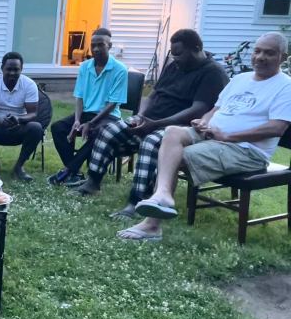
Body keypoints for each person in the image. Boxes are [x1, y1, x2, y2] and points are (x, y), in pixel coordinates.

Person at [119, 32, 291, 241]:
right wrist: (206, 121)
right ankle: (162, 194)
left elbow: (276, 128)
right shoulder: (240, 79)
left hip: (246, 150)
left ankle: (152, 225)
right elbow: (216, 109)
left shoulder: (285, 87)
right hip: (214, 136)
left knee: (176, 156)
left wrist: (228, 136)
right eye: (257, 51)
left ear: (283, 57)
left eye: (269, 53)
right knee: (172, 132)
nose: (261, 57)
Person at [73, 29, 229, 213]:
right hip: (151, 120)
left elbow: (197, 110)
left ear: (196, 48)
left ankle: (137, 201)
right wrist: (140, 116)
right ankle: (93, 182)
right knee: (109, 130)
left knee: (150, 143)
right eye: (173, 54)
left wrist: (156, 124)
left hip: (181, 129)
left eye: (179, 54)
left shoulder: (213, 72)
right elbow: (153, 94)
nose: (175, 59)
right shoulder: (174, 66)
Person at [48, 28, 128, 186]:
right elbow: (80, 97)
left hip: (108, 117)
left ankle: (68, 171)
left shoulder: (120, 70)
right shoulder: (85, 67)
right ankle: (75, 173)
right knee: (58, 128)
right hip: (85, 113)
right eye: (93, 45)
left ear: (109, 46)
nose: (96, 49)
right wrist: (77, 120)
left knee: (99, 132)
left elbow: (113, 104)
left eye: (101, 45)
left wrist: (91, 124)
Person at [0, 52, 41, 181]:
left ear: (21, 69)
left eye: (16, 69)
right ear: (2, 68)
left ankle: (19, 167)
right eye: (8, 69)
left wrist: (19, 119)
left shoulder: (29, 85)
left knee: (36, 127)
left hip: (19, 126)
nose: (12, 73)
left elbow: (33, 114)